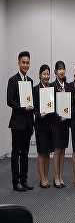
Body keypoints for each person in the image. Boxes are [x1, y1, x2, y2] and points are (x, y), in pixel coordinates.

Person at [7, 51, 35, 191]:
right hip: (17, 123)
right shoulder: (12, 80)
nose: (25, 65)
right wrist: (24, 108)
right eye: (23, 62)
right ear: (18, 63)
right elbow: (10, 101)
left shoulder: (30, 81)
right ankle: (15, 182)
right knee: (15, 153)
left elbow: (31, 101)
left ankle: (24, 180)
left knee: (25, 153)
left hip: (28, 123)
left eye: (27, 62)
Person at [33, 64, 54, 188]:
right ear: (40, 75)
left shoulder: (51, 88)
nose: (46, 76)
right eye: (44, 74)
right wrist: (39, 114)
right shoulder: (35, 89)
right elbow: (33, 108)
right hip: (40, 124)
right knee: (41, 152)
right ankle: (42, 179)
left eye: (47, 74)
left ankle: (46, 176)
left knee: (47, 153)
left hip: (50, 124)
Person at [51, 61, 70, 188]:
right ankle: (56, 177)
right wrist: (59, 118)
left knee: (63, 150)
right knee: (57, 150)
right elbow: (50, 106)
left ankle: (61, 175)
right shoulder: (52, 86)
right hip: (57, 122)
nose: (61, 71)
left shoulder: (68, 86)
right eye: (59, 69)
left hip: (66, 122)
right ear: (55, 72)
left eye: (63, 69)